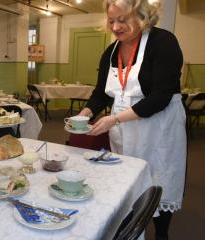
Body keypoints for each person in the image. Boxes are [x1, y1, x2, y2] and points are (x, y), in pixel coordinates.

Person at [79, 0, 186, 239]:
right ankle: (129, 224)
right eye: (111, 20)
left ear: (142, 16)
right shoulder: (111, 52)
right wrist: (83, 114)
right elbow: (100, 94)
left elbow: (161, 96)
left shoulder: (163, 42)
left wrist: (114, 119)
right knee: (127, 176)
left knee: (160, 177)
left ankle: (162, 233)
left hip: (159, 125)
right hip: (124, 126)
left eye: (122, 20)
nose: (115, 27)